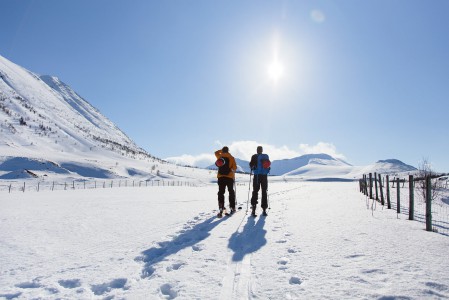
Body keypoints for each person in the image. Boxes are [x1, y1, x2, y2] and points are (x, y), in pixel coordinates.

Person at [215, 146, 237, 218]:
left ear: (223, 150)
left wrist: (221, 150)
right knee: (231, 191)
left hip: (221, 177)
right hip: (229, 177)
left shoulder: (219, 156)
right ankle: (232, 207)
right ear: (228, 151)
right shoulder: (231, 157)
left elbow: (216, 152)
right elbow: (234, 168)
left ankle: (221, 207)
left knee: (221, 192)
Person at [249, 146, 270, 216]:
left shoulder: (254, 156)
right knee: (264, 191)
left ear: (257, 150)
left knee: (255, 191)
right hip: (264, 176)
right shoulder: (266, 156)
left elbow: (251, 165)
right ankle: (264, 209)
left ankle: (253, 208)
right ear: (262, 150)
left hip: (257, 176)